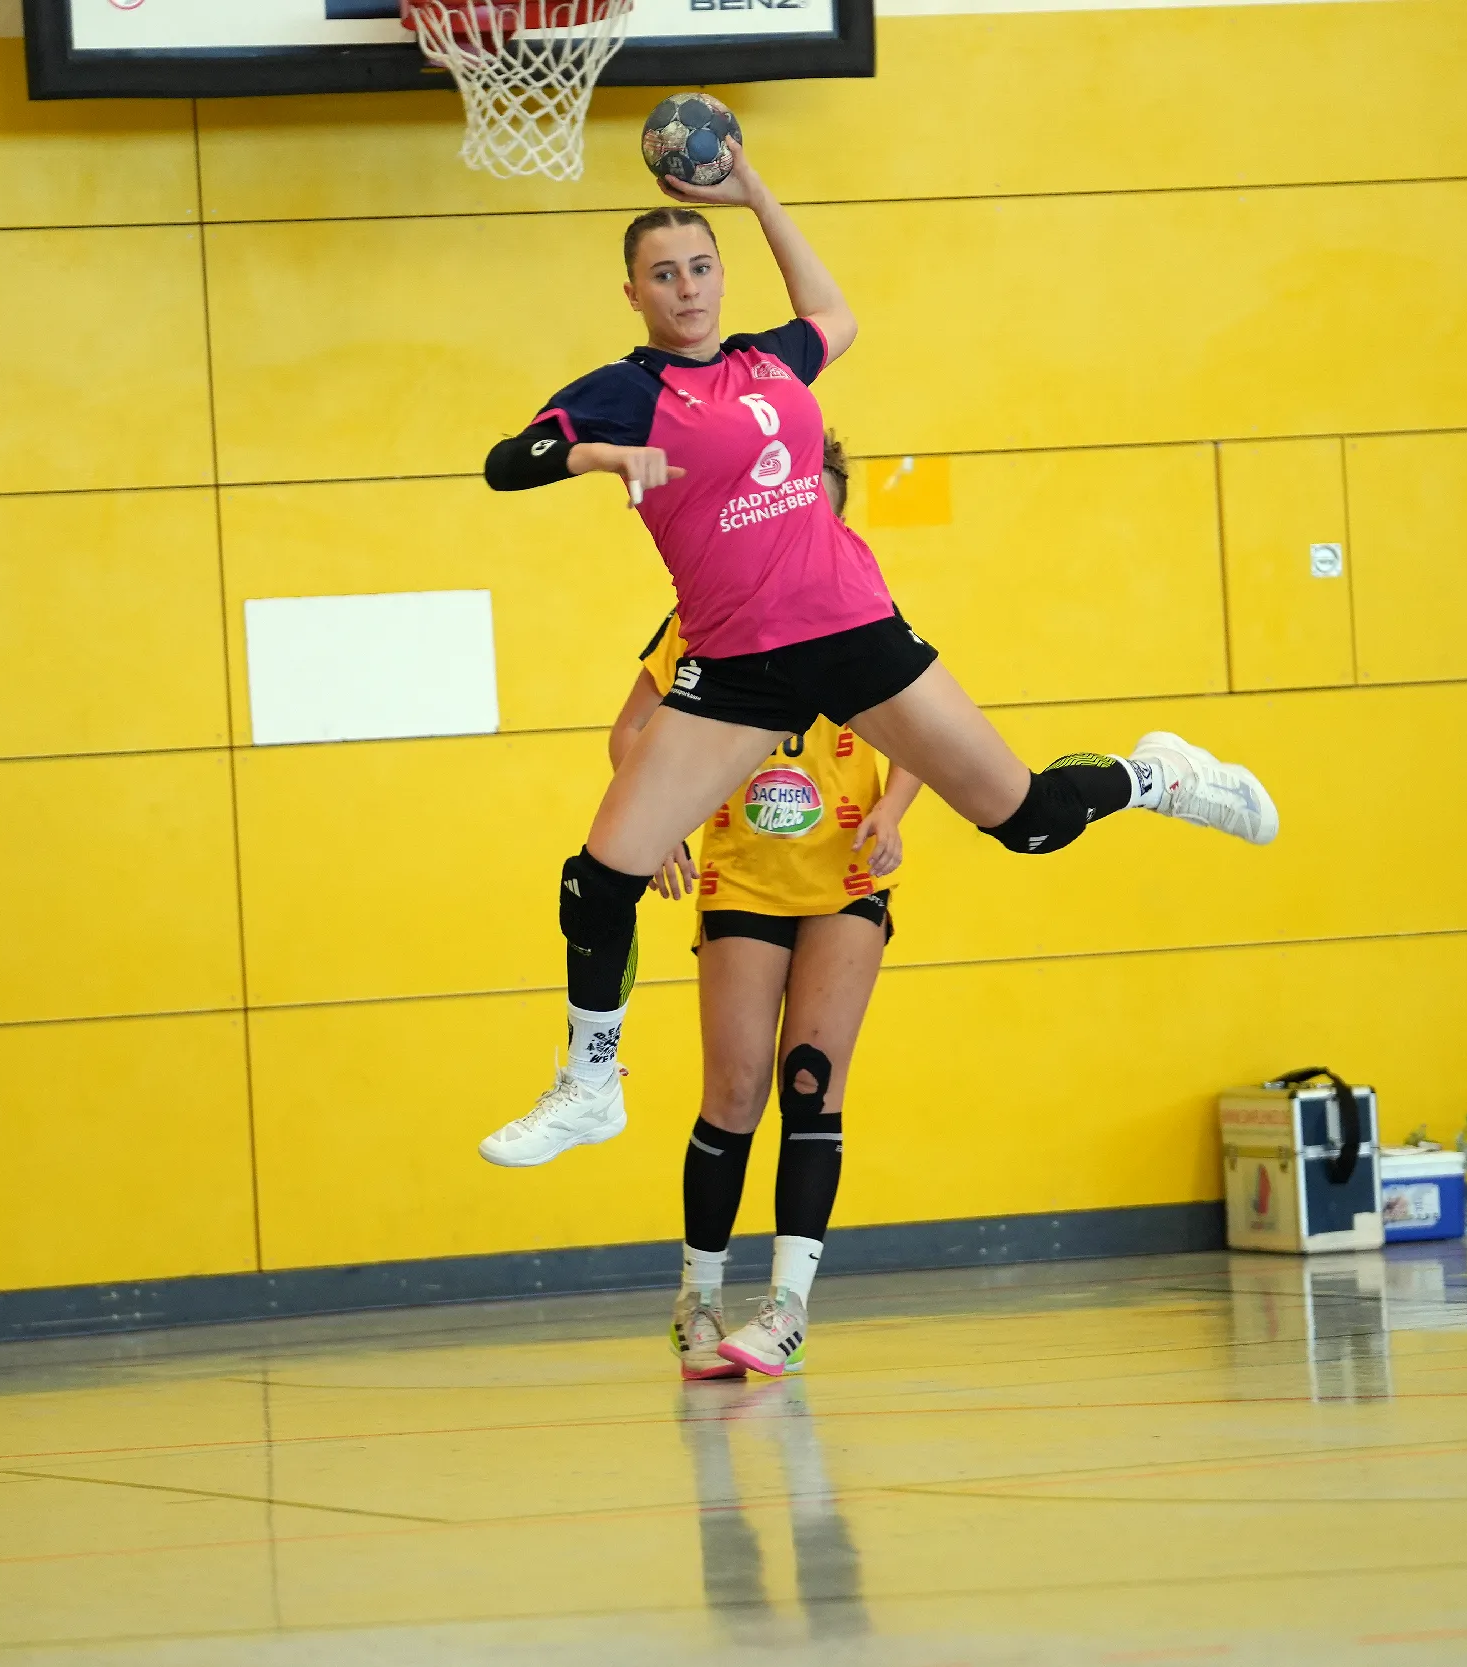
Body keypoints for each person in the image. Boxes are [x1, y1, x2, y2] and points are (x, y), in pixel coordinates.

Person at [474, 139, 1279, 1169]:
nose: (687, 288)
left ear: (722, 273)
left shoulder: (772, 360)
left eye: (702, 266)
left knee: (1030, 821)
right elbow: (510, 461)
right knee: (599, 878)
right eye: (664, 274)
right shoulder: (629, 390)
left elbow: (836, 315)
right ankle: (590, 1085)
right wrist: (601, 452)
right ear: (633, 292)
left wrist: (754, 191)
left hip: (849, 628)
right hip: (736, 664)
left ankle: (1156, 776)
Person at [588, 437, 916, 1378]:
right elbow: (630, 732)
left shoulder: (863, 606)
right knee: (734, 1092)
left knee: (813, 1079)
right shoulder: (706, 614)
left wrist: (892, 809)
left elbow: (923, 730)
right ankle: (698, 1298)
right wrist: (656, 824)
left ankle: (786, 1309)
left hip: (845, 880)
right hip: (743, 878)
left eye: (823, 507)